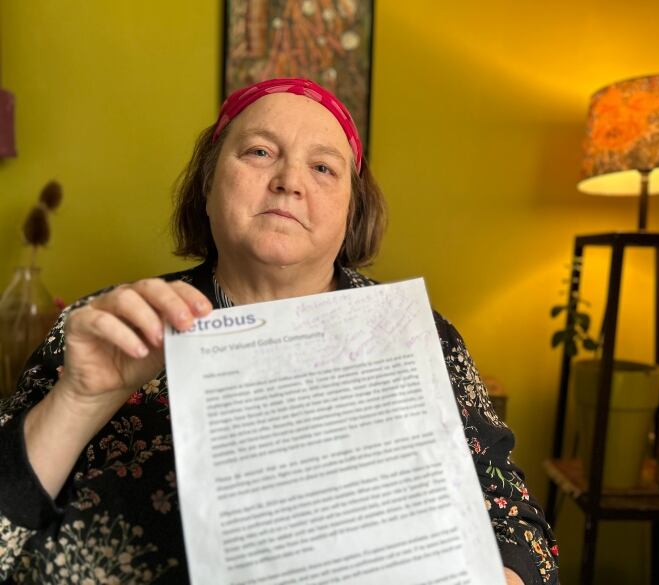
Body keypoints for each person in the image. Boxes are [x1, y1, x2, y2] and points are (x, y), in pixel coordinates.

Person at [0, 78, 558, 584]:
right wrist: (77, 401)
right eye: (260, 152)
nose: (289, 181)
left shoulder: (420, 340)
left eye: (323, 168)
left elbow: (520, 531)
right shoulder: (114, 326)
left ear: (351, 212)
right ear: (207, 184)